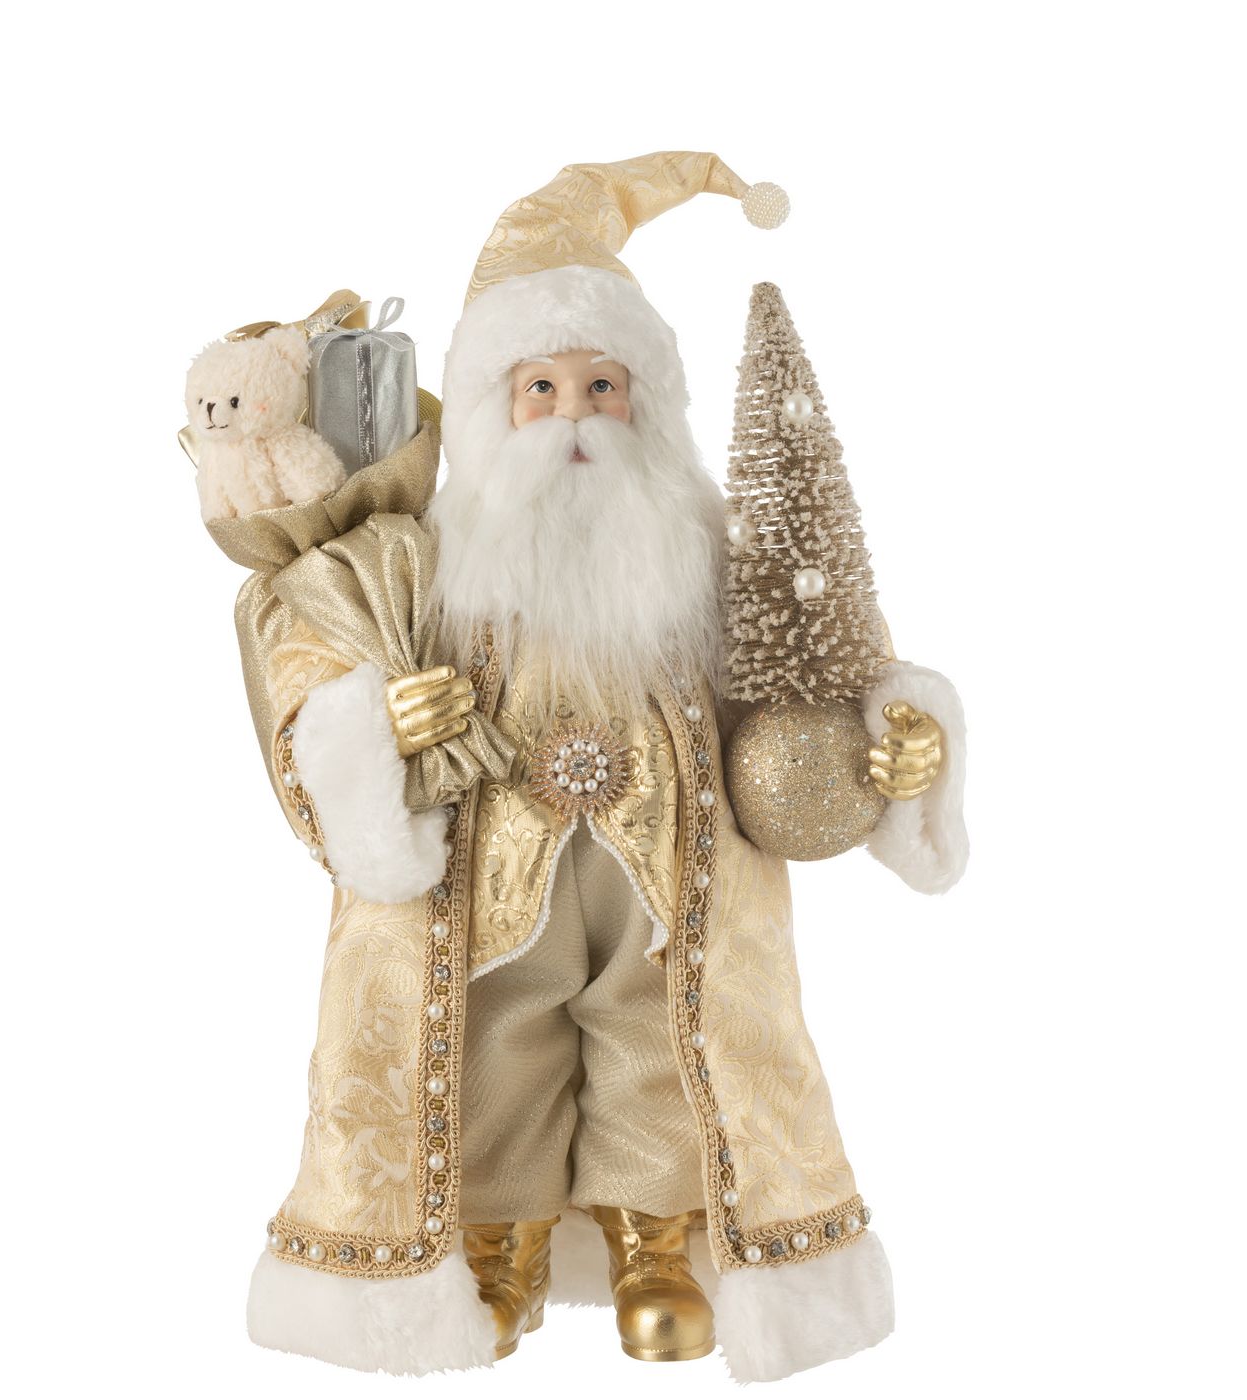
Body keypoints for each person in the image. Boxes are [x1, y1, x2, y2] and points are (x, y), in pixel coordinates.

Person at [235, 152, 968, 1380]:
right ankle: (496, 1232)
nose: (573, 412)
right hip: (483, 878)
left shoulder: (704, 552)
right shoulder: (422, 563)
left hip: (669, 873)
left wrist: (895, 734)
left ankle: (653, 1235)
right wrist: (380, 719)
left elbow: (818, 658)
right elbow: (316, 657)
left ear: (644, 404)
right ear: (493, 406)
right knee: (490, 1035)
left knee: (659, 1030)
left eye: (600, 385)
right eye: (540, 386)